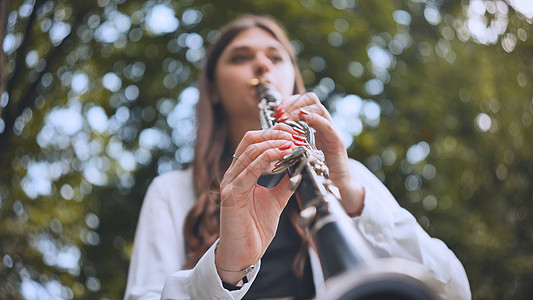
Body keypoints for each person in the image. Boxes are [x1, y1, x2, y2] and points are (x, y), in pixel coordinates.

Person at [124, 14, 471, 300]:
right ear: (213, 89)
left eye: (276, 57)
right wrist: (225, 268)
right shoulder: (170, 191)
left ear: (292, 79)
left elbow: (454, 288)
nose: (261, 64)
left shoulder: (348, 176)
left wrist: (352, 198)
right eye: (240, 57)